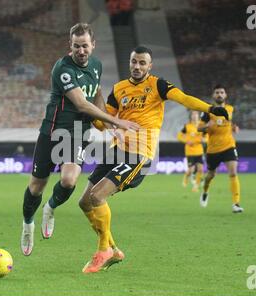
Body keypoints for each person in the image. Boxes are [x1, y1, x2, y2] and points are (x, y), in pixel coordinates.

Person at [77, 46, 229, 273]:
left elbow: (184, 99)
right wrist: (94, 104)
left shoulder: (158, 85)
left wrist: (211, 108)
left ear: (150, 66)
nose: (137, 67)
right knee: (84, 202)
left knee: (97, 195)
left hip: (139, 153)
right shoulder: (119, 89)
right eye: (134, 62)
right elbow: (103, 122)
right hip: (116, 150)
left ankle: (103, 251)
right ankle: (114, 249)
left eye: (142, 63)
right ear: (130, 63)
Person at [20, 23, 139, 256]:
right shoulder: (63, 69)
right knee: (36, 186)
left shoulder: (96, 66)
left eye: (85, 46)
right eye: (76, 46)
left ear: (93, 45)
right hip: (52, 132)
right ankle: (27, 224)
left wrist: (107, 123)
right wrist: (117, 122)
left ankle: (51, 208)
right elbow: (82, 103)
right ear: (70, 46)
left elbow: (95, 94)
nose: (81, 50)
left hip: (77, 132)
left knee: (69, 180)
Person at [198, 85, 244, 214]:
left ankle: (236, 203)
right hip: (213, 149)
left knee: (233, 172)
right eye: (217, 92)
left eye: (222, 92)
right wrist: (208, 125)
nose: (219, 94)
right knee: (210, 176)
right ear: (213, 96)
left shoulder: (230, 109)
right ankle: (205, 191)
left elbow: (231, 123)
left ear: (225, 95)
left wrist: (234, 128)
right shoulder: (208, 111)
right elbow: (198, 128)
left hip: (229, 146)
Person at [177, 111, 207, 192]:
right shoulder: (187, 126)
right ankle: (186, 178)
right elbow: (179, 136)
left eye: (196, 114)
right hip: (190, 151)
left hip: (199, 151)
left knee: (201, 169)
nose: (194, 116)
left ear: (198, 116)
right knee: (191, 170)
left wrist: (204, 140)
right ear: (191, 116)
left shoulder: (201, 126)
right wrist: (186, 141)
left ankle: (196, 186)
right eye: (193, 114)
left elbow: (206, 136)